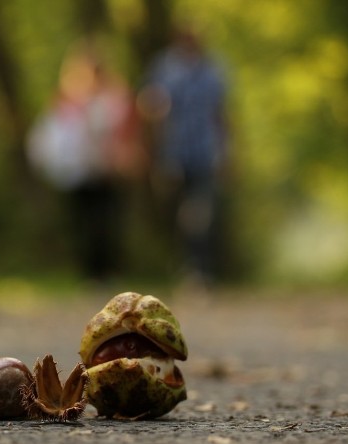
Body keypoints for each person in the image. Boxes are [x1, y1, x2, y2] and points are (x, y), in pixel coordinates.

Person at [27, 40, 142, 280]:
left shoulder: (114, 98)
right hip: (78, 172)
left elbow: (125, 132)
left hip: (107, 171)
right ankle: (90, 271)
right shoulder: (68, 101)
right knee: (84, 222)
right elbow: (52, 135)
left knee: (107, 221)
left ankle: (108, 270)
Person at [140, 26, 229, 285]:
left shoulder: (213, 69)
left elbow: (221, 112)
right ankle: (183, 266)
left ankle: (199, 270)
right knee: (177, 213)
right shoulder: (164, 68)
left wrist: (227, 152)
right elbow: (148, 107)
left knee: (200, 213)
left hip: (205, 152)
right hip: (173, 153)